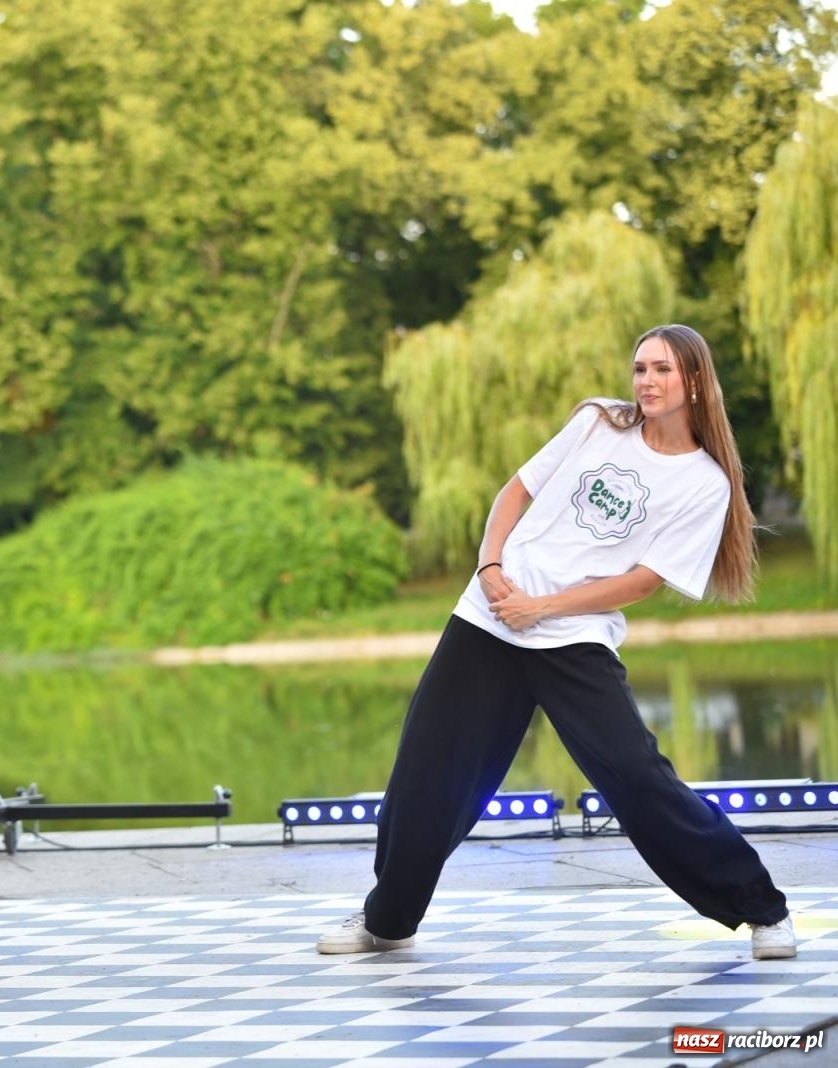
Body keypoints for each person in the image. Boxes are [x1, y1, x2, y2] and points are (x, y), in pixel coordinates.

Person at [318, 324, 796, 960]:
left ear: (696, 381)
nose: (647, 382)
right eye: (640, 368)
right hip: (486, 623)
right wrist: (490, 571)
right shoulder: (600, 423)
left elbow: (643, 581)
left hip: (572, 640)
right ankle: (387, 921)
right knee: (426, 777)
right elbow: (514, 492)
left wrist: (542, 607)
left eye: (662, 371)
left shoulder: (704, 484)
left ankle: (765, 911)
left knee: (637, 779)